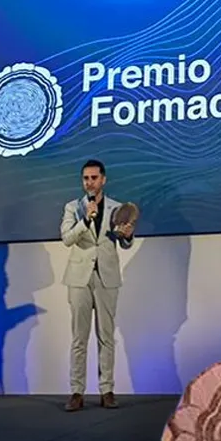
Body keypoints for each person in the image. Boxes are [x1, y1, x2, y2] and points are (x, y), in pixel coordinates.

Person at [60, 159, 135, 411]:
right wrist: (86, 220)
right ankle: (77, 392)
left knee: (106, 336)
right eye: (85, 178)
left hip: (107, 277)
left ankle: (107, 390)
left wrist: (126, 236)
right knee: (79, 338)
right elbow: (67, 238)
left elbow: (123, 242)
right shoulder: (73, 207)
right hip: (79, 278)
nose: (89, 182)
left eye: (93, 178)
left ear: (103, 179)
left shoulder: (116, 208)